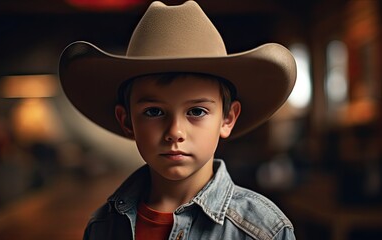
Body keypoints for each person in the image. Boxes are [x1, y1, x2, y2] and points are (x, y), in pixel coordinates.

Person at [59, 1, 297, 239]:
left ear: (227, 118)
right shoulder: (103, 227)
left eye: (196, 111)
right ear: (127, 121)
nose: (175, 132)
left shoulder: (263, 231)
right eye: (154, 111)